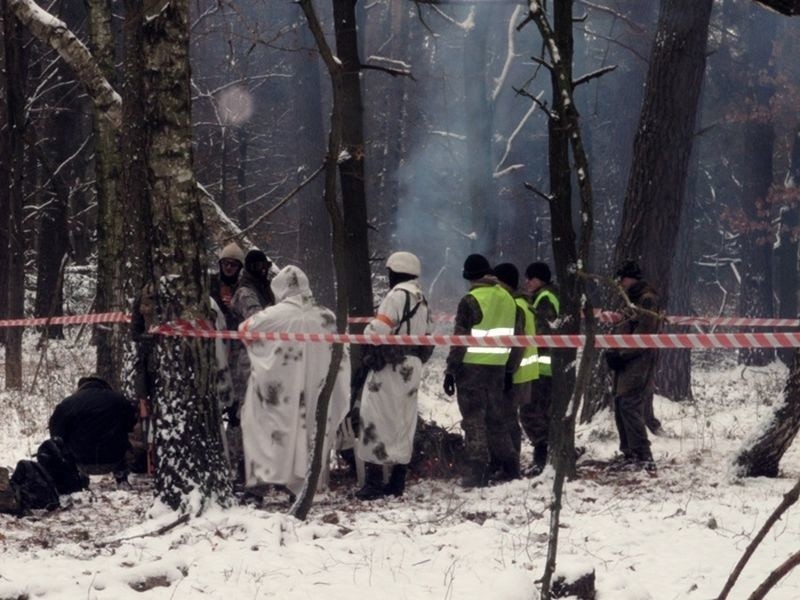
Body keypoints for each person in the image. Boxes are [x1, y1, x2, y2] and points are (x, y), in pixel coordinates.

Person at [239, 265, 350, 499]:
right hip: (317, 391)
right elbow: (342, 356)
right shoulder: (327, 317)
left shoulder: (272, 316)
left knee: (269, 433)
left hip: (280, 392)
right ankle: (304, 489)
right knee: (311, 434)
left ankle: (259, 489)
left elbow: (245, 330)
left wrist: (268, 351)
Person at [355, 251, 434, 500]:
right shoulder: (422, 299)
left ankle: (374, 483)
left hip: (390, 365)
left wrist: (365, 332)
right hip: (412, 365)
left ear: (396, 272)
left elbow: (378, 330)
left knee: (374, 417)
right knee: (403, 421)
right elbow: (429, 336)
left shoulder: (396, 295)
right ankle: (397, 481)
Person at [443, 254, 520, 488]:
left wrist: (450, 370)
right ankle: (509, 465)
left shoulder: (470, 300)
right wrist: (508, 370)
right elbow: (516, 338)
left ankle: (477, 470)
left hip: (471, 369)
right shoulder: (508, 299)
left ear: (469, 276)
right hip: (497, 369)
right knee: (496, 419)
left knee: (474, 420)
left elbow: (460, 339)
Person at [604, 260, 660, 472]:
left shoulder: (647, 299)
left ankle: (642, 455)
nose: (620, 283)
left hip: (639, 361)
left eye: (623, 278)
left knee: (629, 404)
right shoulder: (629, 300)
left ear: (632, 278)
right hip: (626, 359)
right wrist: (614, 350)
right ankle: (629, 453)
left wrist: (623, 354)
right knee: (620, 404)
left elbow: (643, 334)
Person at [48, 376, 138, 485]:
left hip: (80, 461)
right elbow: (131, 424)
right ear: (104, 385)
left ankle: (78, 479)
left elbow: (55, 431)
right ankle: (122, 477)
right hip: (113, 459)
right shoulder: (119, 400)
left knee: (62, 444)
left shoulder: (68, 403)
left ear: (81, 386)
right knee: (125, 437)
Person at [493, 263, 537, 481]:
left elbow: (517, 343)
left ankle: (511, 467)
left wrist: (508, 371)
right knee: (510, 419)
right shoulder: (523, 303)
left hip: (516, 372)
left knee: (507, 420)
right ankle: (510, 464)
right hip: (524, 371)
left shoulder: (515, 305)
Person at [520, 261, 560, 475]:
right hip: (547, 366)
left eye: (531, 278)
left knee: (531, 412)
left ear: (541, 279)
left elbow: (541, 331)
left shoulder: (545, 299)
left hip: (543, 368)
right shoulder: (547, 296)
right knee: (543, 414)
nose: (527, 282)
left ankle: (541, 457)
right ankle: (553, 453)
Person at [210, 242, 245, 330]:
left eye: (233, 264)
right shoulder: (209, 283)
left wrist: (234, 307)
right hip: (212, 333)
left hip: (235, 336)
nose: (228, 267)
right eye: (225, 263)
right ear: (220, 264)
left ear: (239, 267)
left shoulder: (244, 288)